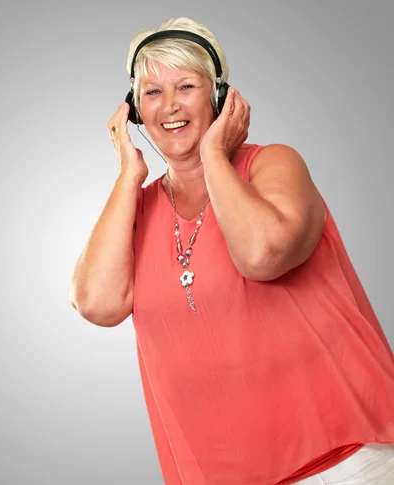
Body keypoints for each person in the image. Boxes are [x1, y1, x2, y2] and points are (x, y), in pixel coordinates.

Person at [69, 16, 394, 485]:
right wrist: (127, 176)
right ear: (134, 111)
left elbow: (261, 254)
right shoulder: (135, 210)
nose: (169, 106)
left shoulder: (272, 164)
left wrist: (213, 156)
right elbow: (97, 304)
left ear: (218, 98)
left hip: (345, 462)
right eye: (152, 92)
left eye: (186, 86)